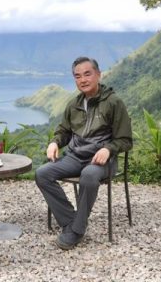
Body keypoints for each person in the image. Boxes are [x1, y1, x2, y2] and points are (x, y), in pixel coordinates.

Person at [35, 56, 132, 250]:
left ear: (98, 74)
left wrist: (108, 149)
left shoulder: (113, 103)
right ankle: (72, 221)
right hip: (75, 157)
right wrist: (55, 143)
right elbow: (63, 132)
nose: (83, 80)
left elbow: (125, 140)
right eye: (77, 76)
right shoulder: (74, 105)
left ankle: (76, 231)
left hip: (102, 160)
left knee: (89, 175)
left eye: (87, 74)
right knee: (42, 173)